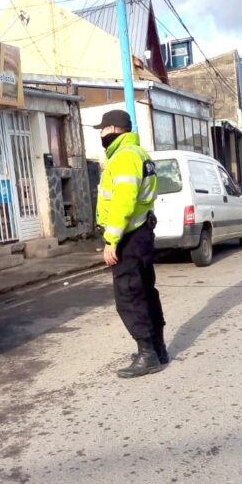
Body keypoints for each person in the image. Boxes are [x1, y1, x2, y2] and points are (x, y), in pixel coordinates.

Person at [94, 109, 168, 379]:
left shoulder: (124, 157)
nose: (100, 135)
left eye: (102, 130)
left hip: (129, 236)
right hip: (141, 233)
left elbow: (123, 202)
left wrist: (111, 240)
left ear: (113, 129)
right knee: (146, 291)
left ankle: (148, 354)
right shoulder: (138, 154)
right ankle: (157, 350)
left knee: (129, 295)